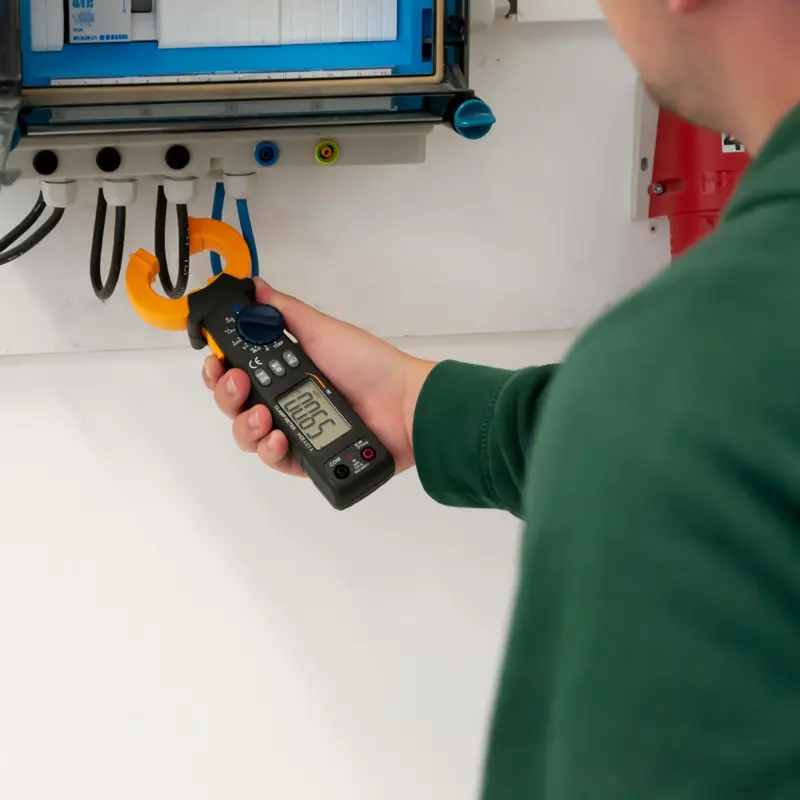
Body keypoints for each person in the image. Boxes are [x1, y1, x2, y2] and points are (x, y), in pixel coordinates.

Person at [203, 0, 800, 796]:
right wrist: (418, 405)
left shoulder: (675, 385)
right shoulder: (696, 391)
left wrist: (618, 408)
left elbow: (691, 432)